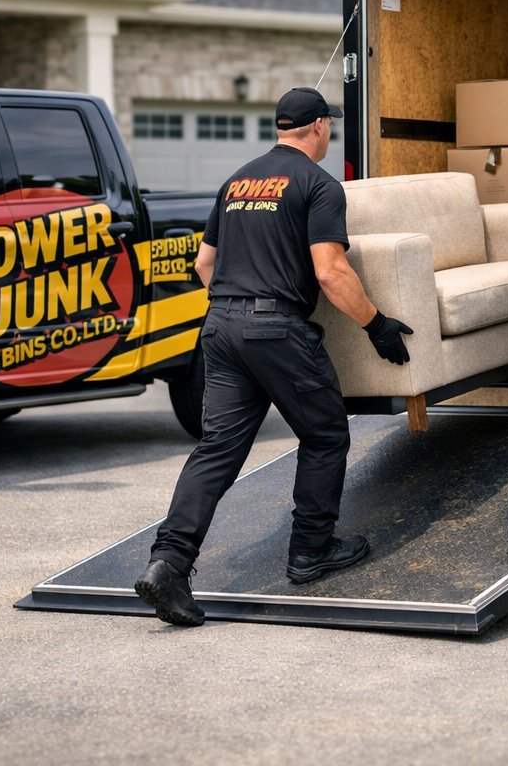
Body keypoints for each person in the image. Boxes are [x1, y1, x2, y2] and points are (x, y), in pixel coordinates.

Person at [134, 87, 415, 627]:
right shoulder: (319, 185)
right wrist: (375, 324)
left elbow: (204, 265)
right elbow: (330, 271)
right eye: (327, 125)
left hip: (220, 325)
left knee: (218, 449)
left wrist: (239, 309)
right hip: (276, 329)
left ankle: (168, 561)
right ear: (316, 129)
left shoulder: (236, 181)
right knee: (326, 434)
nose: (328, 132)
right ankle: (311, 551)